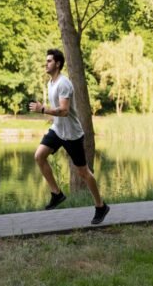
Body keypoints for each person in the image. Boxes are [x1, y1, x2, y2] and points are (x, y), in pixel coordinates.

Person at [29, 48, 110, 225]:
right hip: (57, 130)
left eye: (49, 61)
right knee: (39, 156)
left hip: (72, 135)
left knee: (83, 172)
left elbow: (64, 111)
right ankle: (57, 194)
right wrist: (48, 114)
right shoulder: (51, 83)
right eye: (46, 60)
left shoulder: (64, 84)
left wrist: (43, 109)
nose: (46, 63)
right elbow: (58, 114)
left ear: (57, 63)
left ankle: (100, 206)